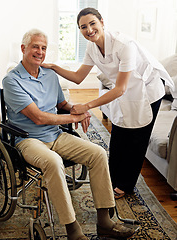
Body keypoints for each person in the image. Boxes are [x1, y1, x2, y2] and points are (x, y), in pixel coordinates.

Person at [3, 28, 135, 240]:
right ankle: (73, 230)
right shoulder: (11, 81)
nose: (40, 52)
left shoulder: (49, 75)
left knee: (98, 153)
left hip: (55, 135)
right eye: (35, 47)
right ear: (23, 48)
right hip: (29, 139)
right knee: (54, 162)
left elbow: (61, 104)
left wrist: (78, 110)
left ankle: (105, 222)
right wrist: (74, 119)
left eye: (44, 48)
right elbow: (38, 118)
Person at [41, 8, 174, 199]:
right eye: (83, 27)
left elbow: (119, 89)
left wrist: (87, 106)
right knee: (119, 135)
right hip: (125, 90)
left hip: (147, 91)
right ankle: (111, 178)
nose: (89, 30)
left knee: (137, 140)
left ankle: (126, 185)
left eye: (92, 23)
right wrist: (54, 66)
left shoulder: (124, 45)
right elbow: (79, 77)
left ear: (102, 22)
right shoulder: (92, 47)